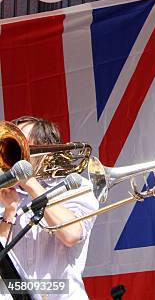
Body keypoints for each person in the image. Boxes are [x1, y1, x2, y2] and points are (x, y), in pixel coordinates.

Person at [0, 116, 99, 299]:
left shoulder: (75, 185)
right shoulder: (5, 192)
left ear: (46, 149)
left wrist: (29, 183)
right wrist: (9, 211)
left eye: (21, 143)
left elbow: (71, 234)